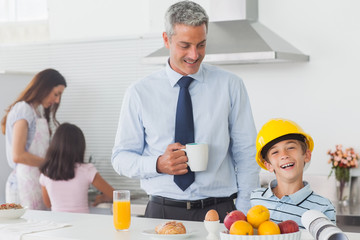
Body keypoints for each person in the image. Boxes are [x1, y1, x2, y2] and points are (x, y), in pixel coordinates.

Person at [112, 1, 259, 222]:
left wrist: (246, 211)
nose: (194, 54)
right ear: (166, 39)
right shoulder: (139, 93)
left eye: (201, 44)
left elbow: (246, 153)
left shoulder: (230, 86)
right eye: (185, 45)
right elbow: (120, 157)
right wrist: (157, 164)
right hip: (161, 212)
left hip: (221, 211)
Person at [250, 118, 336, 228]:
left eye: (291, 147)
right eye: (275, 152)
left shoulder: (323, 207)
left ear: (306, 155)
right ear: (268, 165)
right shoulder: (255, 198)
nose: (284, 155)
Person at [1, 68, 67, 210]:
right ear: (44, 87)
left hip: (36, 182)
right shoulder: (23, 109)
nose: (57, 100)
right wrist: (51, 164)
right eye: (56, 94)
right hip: (23, 184)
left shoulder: (38, 113)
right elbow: (18, 155)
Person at [39, 123, 114, 213]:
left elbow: (48, 203)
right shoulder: (87, 170)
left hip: (57, 224)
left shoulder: (46, 172)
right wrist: (102, 198)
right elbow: (115, 195)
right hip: (82, 224)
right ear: (80, 146)